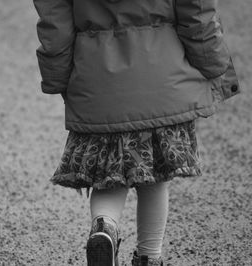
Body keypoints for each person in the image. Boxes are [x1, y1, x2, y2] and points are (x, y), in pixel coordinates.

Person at [32, 0, 240, 265]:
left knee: (108, 175)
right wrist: (214, 64)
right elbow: (197, 13)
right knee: (156, 179)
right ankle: (149, 257)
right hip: (164, 79)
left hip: (98, 81)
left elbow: (55, 22)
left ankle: (104, 227)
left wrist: (58, 77)